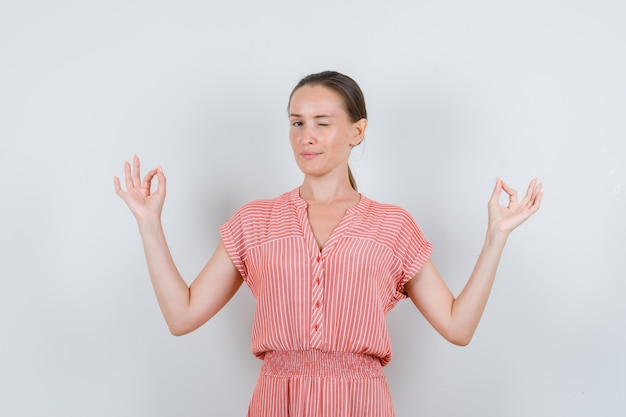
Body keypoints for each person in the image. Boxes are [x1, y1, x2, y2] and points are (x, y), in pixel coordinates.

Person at [114, 71, 543, 416]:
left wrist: (496, 235)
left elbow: (458, 327)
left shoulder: (392, 226)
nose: (307, 136)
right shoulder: (255, 221)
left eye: (322, 123)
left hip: (362, 403)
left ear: (357, 131)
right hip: (275, 403)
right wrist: (149, 224)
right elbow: (181, 315)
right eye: (297, 123)